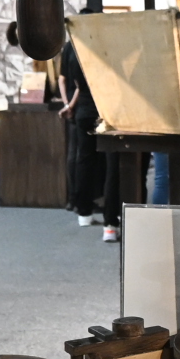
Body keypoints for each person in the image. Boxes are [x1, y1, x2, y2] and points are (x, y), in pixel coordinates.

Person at [59, 16, 121, 241]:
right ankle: (110, 220)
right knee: (112, 165)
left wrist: (69, 105)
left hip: (83, 111)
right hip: (106, 112)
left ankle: (83, 212)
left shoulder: (71, 47)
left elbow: (71, 82)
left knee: (83, 160)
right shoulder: (105, 47)